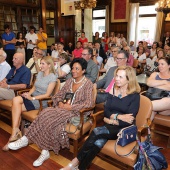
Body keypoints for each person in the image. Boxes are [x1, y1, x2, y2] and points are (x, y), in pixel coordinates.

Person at [8, 58, 94, 167]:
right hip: (62, 110)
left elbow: (89, 104)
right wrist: (60, 103)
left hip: (76, 113)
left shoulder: (88, 84)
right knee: (46, 112)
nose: (73, 71)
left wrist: (71, 107)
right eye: (72, 68)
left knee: (49, 116)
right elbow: (58, 95)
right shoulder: (69, 81)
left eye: (77, 69)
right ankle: (43, 150)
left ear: (83, 71)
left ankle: (28, 139)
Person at [61, 66, 141, 170]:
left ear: (129, 79)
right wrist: (117, 117)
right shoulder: (114, 90)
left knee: (97, 131)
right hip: (111, 126)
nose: (116, 78)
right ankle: (81, 168)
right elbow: (106, 111)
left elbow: (129, 120)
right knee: (98, 143)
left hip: (124, 129)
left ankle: (75, 162)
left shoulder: (134, 95)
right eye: (116, 75)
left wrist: (110, 120)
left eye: (120, 77)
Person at [2, 56, 57, 151]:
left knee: (16, 107)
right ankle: (15, 131)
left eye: (43, 64)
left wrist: (33, 97)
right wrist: (29, 94)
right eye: (41, 63)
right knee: (16, 100)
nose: (40, 66)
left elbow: (48, 94)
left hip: (40, 101)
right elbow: (34, 87)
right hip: (32, 97)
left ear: (49, 65)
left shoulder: (52, 77)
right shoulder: (40, 74)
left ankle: (13, 137)